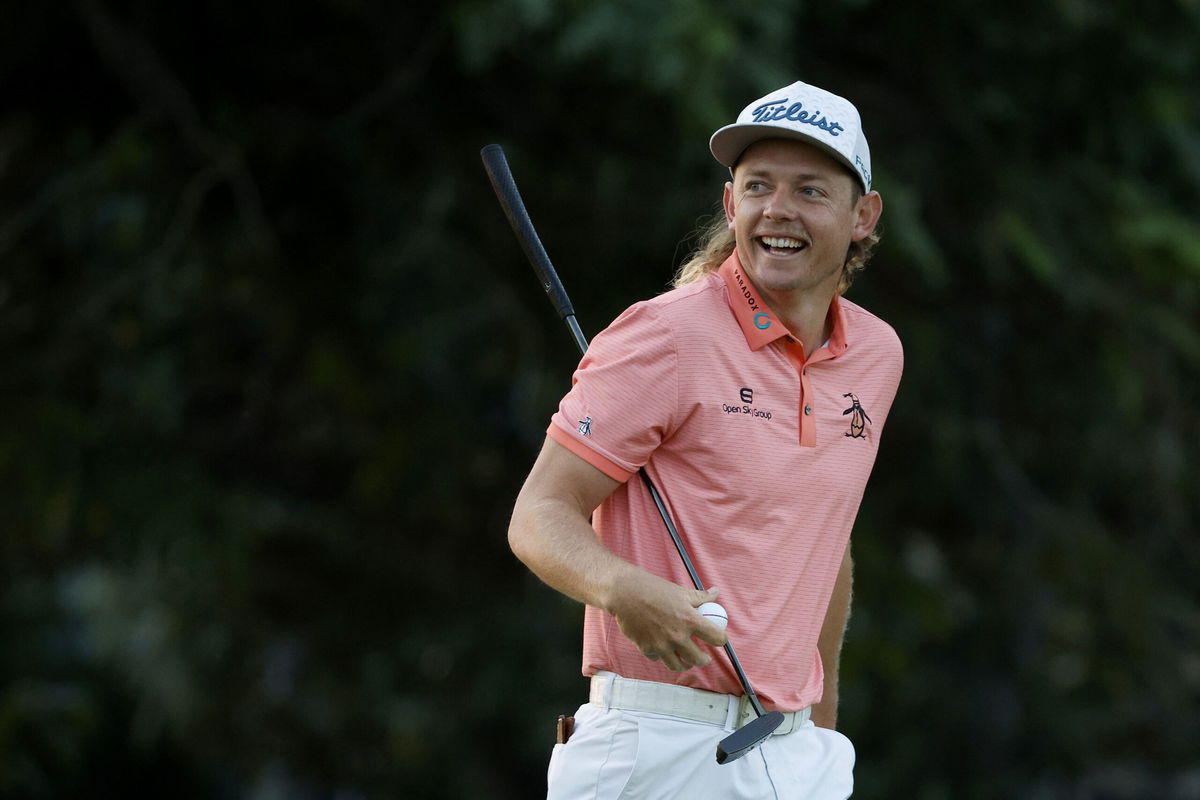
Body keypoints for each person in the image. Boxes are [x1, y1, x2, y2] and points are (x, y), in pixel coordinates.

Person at [508, 79, 902, 799]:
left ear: (863, 216)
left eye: (811, 191)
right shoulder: (665, 335)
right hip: (654, 747)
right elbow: (538, 515)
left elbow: (825, 544)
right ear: (731, 205)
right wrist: (624, 589)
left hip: (795, 752)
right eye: (758, 187)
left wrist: (823, 727)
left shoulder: (876, 355)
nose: (777, 210)